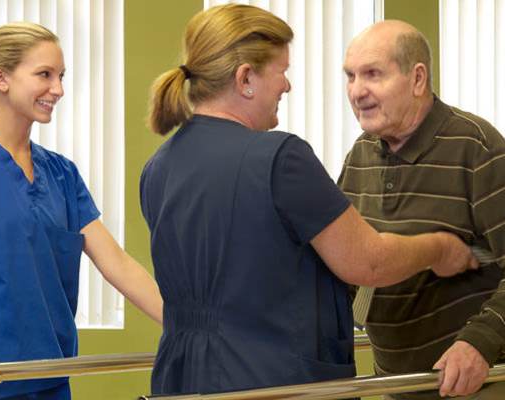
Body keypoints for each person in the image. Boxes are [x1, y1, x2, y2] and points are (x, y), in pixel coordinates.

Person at [140, 4, 477, 396]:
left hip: (181, 377)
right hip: (269, 380)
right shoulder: (280, 158)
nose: (287, 86)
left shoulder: (158, 167)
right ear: (245, 78)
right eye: (281, 72)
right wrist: (439, 248)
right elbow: (368, 262)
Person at [0, 22, 163, 400]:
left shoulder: (62, 173)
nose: (57, 89)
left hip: (50, 375)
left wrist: (182, 324)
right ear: (1, 78)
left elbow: (117, 263)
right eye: (44, 74)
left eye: (60, 76)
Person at [339, 20, 505, 399]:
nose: (356, 91)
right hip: (396, 382)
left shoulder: (476, 149)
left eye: (373, 74)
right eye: (350, 76)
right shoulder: (362, 153)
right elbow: (349, 258)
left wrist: (479, 343)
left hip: (471, 384)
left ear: (417, 79)